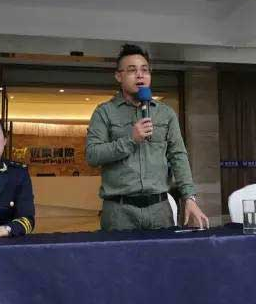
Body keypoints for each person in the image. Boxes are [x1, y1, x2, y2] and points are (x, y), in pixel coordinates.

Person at [86, 44, 209, 231]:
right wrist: (131, 139)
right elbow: (93, 155)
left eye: (145, 70)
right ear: (118, 76)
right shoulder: (105, 112)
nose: (140, 75)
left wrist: (189, 197)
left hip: (159, 210)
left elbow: (178, 156)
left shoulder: (165, 114)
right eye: (132, 70)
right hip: (119, 211)